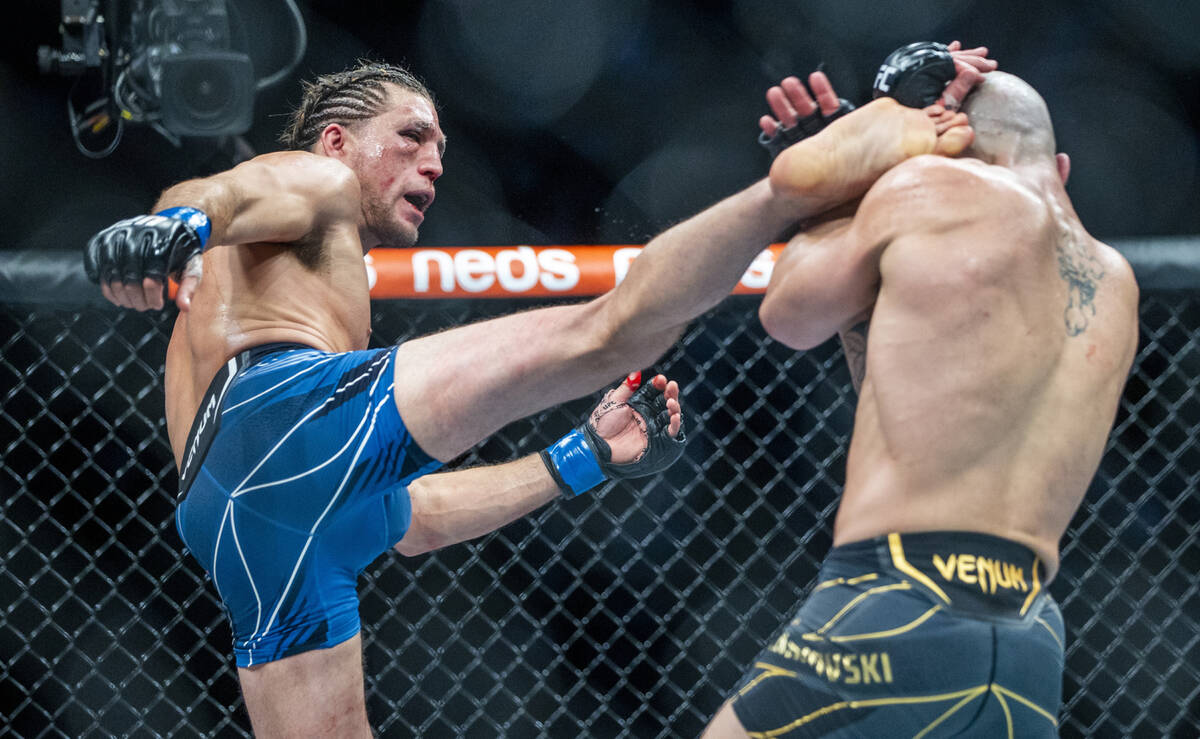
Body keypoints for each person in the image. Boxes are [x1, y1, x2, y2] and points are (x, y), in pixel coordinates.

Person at [83, 58, 976, 735]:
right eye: (411, 136)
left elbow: (416, 518)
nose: (433, 161)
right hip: (276, 414)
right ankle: (791, 187)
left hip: (240, 511)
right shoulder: (311, 182)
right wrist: (177, 226)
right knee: (604, 331)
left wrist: (579, 459)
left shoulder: (304, 270)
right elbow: (238, 188)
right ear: (336, 141)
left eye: (442, 145)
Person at [701, 49, 1140, 737]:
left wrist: (837, 190)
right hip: (1028, 638)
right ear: (1059, 168)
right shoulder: (1114, 278)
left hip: (898, 591)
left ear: (947, 141)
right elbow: (903, 394)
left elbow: (788, 315)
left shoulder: (931, 188)